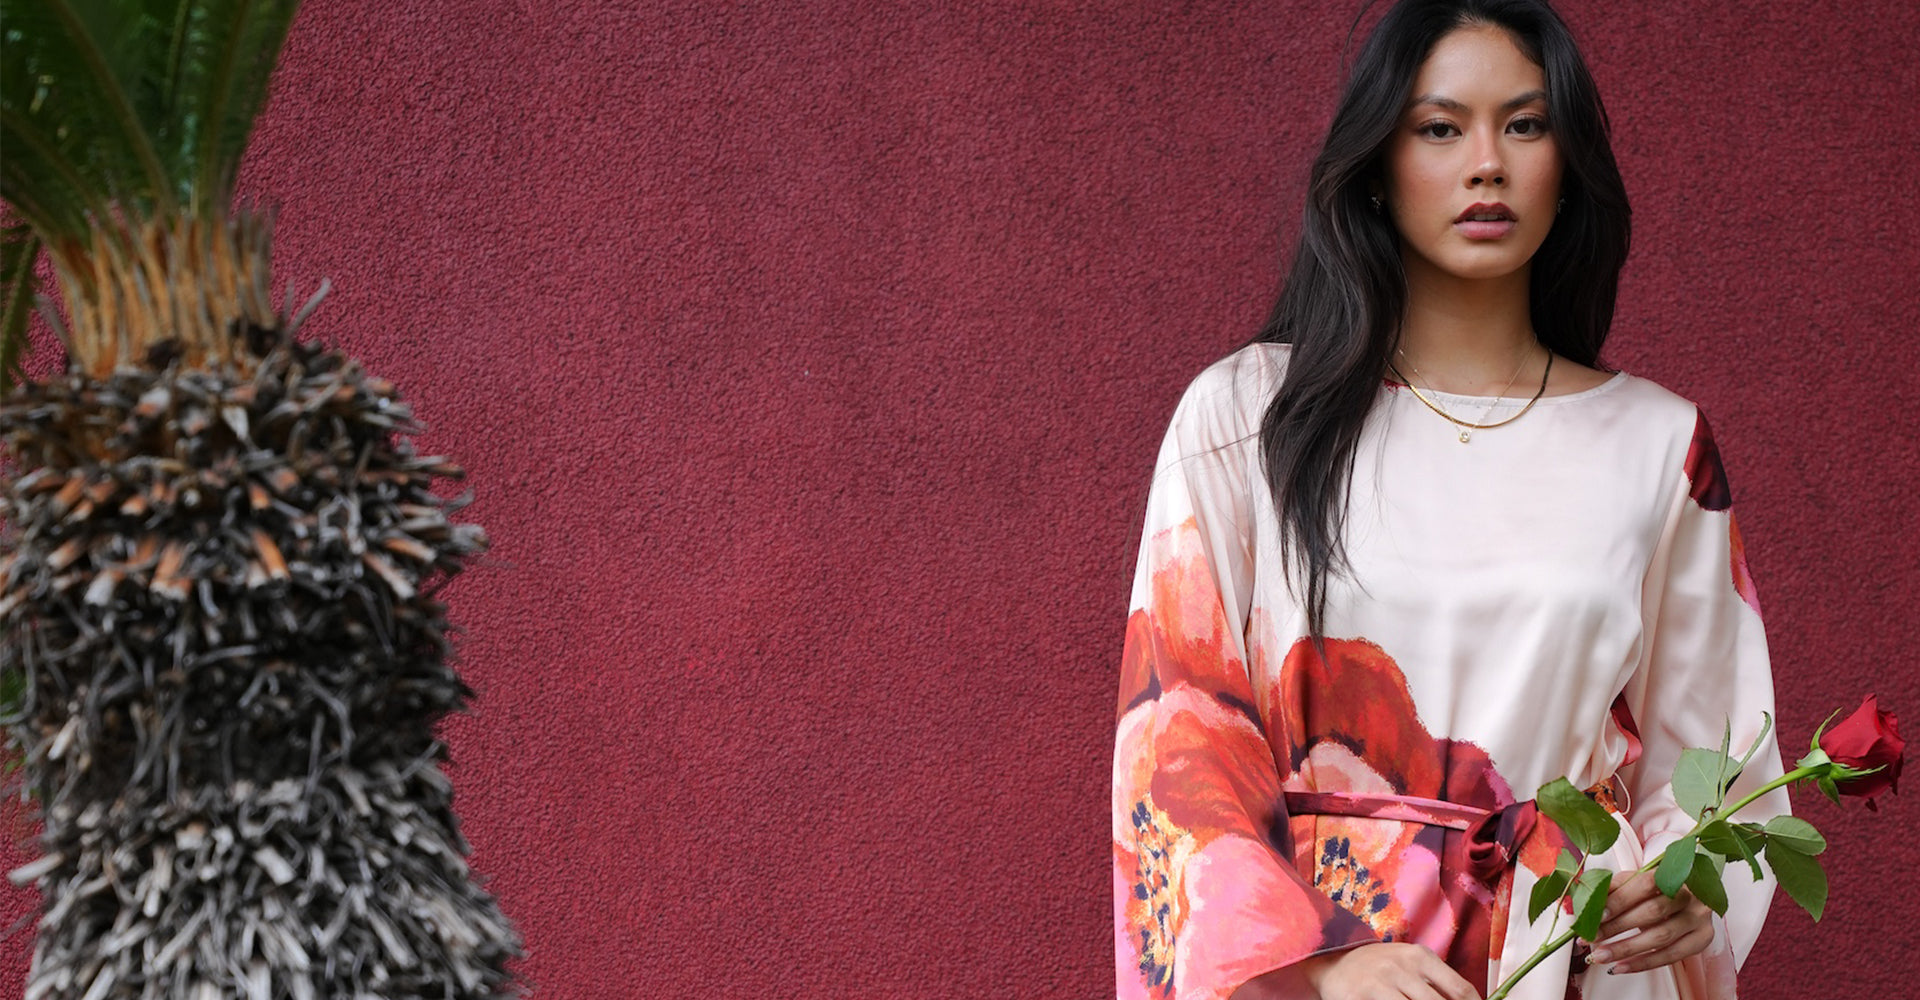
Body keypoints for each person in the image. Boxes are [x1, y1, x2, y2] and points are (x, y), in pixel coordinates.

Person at [1110, 2, 1790, 999]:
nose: (1487, 165)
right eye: (1439, 128)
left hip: (1572, 963)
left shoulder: (1658, 445)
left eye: (1525, 125)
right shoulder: (1249, 415)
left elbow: (1721, 756)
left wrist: (1692, 885)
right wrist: (1328, 965)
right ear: (1377, 165)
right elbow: (1178, 738)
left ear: (1568, 162)